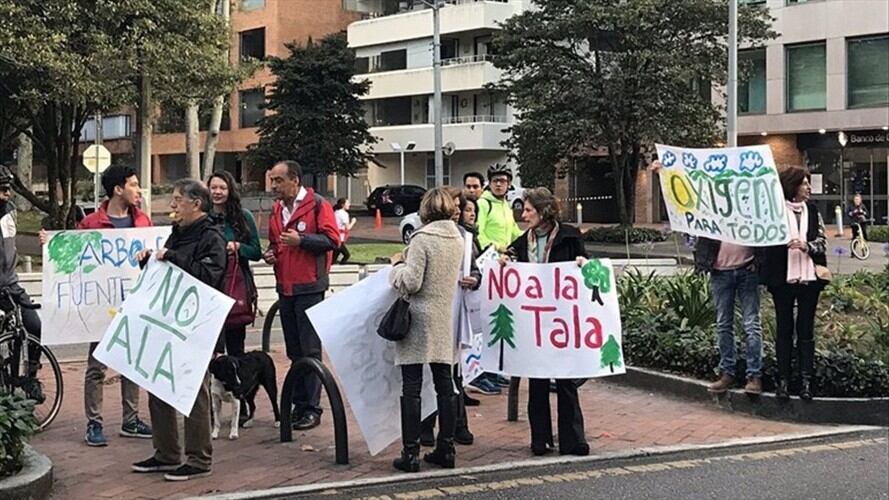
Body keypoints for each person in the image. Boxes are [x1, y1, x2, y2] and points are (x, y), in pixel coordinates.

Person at [40, 165, 154, 446]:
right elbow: (73, 259)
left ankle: (131, 420)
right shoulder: (91, 223)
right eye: (133, 184)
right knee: (96, 366)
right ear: (118, 189)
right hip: (101, 308)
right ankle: (94, 423)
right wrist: (51, 244)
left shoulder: (144, 223)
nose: (138, 190)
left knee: (131, 364)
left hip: (132, 304)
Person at [131, 179, 227, 481]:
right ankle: (166, 453)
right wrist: (149, 264)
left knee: (192, 389)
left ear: (195, 203)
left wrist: (171, 257)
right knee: (159, 384)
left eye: (176, 200)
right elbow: (170, 274)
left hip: (196, 325)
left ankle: (199, 458)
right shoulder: (178, 233)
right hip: (168, 322)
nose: (172, 206)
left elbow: (208, 277)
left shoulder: (211, 237)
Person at [650, 160, 763, 395]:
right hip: (720, 272)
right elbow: (682, 203)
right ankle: (727, 372)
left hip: (747, 270)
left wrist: (759, 263)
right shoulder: (708, 207)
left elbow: (766, 232)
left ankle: (754, 375)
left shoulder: (751, 207)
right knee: (724, 324)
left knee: (751, 324)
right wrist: (664, 173)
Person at [506, 187, 590, 457]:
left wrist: (582, 263)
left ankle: (573, 440)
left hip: (562, 318)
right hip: (534, 319)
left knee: (565, 379)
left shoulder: (569, 237)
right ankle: (539, 439)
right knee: (538, 378)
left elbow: (586, 263)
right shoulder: (522, 241)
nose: (524, 214)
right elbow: (510, 263)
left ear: (543, 212)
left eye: (529, 210)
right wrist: (505, 261)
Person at [389, 187, 465, 473]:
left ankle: (410, 453)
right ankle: (446, 447)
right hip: (443, 316)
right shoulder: (456, 237)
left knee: (412, 386)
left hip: (417, 319)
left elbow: (411, 282)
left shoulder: (422, 238)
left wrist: (396, 267)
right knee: (445, 384)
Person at [264, 160, 339, 431]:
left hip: (310, 286)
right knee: (294, 350)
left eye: (278, 181)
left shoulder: (318, 205)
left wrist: (303, 241)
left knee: (309, 350)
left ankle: (312, 408)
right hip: (285, 286)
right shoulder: (276, 209)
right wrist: (271, 254)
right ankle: (297, 405)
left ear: (295, 181)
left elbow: (333, 241)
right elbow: (276, 243)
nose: (273, 186)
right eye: (272, 180)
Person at [757, 166, 827, 401]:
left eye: (808, 183)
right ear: (793, 186)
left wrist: (807, 246)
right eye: (804, 183)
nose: (808, 188)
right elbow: (765, 242)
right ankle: (783, 380)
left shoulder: (813, 210)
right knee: (784, 328)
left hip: (809, 278)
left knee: (805, 329)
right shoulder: (775, 212)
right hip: (782, 279)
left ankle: (807, 381)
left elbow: (822, 242)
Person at [419, 190, 479, 447]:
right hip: (436, 311)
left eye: (460, 207)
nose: (456, 210)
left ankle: (457, 425)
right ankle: (427, 427)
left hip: (457, 311)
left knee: (453, 373)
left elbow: (475, 268)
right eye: (453, 206)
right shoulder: (425, 237)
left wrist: (475, 279)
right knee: (432, 373)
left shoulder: (466, 237)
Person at [472, 164, 522, 395]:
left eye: (503, 180)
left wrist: (529, 239)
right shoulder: (484, 203)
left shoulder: (505, 205)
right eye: (495, 181)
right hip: (487, 265)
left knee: (496, 318)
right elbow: (479, 232)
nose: (499, 184)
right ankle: (480, 372)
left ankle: (491, 369)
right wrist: (497, 248)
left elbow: (513, 232)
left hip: (502, 266)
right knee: (484, 318)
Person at [0, 164, 44, 402]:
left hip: (10, 284)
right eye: (2, 189)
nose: (6, 194)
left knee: (33, 325)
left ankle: (29, 378)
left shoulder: (9, 211)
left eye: (8, 189)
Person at [208, 171, 262, 356]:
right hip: (209, 287)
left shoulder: (244, 216)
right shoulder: (202, 217)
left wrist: (238, 247)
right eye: (213, 187)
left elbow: (256, 252)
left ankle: (237, 383)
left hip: (235, 285)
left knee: (235, 345)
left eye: (222, 188)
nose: (217, 192)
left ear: (230, 190)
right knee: (212, 349)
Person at [332, 198, 357, 264]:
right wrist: (353, 222)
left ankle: (331, 268)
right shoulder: (344, 214)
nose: (349, 204)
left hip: (335, 236)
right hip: (340, 238)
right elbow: (348, 227)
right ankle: (340, 268)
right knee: (346, 255)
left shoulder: (335, 212)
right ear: (343, 205)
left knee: (335, 255)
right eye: (347, 203)